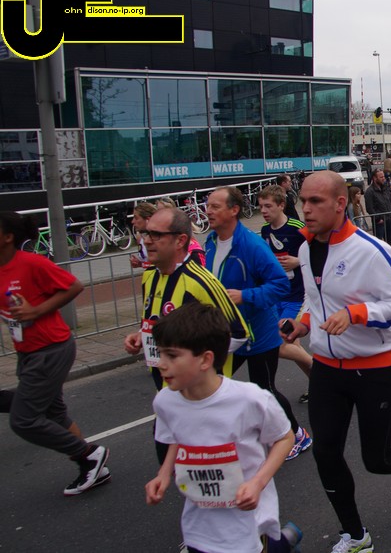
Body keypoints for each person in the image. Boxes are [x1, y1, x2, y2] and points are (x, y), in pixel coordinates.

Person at [283, 171, 391, 553]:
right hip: (326, 368)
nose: (305, 209)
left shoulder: (372, 250)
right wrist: (302, 323)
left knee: (376, 459)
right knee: (325, 453)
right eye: (303, 201)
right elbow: (314, 297)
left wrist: (356, 313)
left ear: (340, 203)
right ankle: (356, 536)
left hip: (373, 368)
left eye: (315, 202)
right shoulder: (306, 249)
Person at [145, 303, 300, 553]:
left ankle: (281, 543)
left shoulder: (250, 399)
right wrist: (163, 474)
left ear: (206, 359)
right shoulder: (165, 401)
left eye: (171, 356)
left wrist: (258, 483)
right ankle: (283, 542)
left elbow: (285, 438)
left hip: (248, 518)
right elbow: (174, 437)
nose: (161, 364)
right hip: (198, 523)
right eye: (160, 354)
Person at [123, 207, 250, 463]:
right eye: (146, 233)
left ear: (180, 240)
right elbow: (157, 320)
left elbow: (239, 333)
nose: (147, 240)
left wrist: (200, 368)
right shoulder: (149, 276)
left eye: (156, 235)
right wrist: (141, 335)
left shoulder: (201, 282)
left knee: (212, 470)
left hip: (201, 399)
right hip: (167, 392)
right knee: (172, 464)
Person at [1, 212, 110, 497]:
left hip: (51, 349)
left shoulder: (31, 263)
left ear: (8, 237)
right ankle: (93, 467)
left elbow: (74, 286)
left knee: (23, 420)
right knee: (54, 414)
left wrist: (35, 311)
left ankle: (90, 454)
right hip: (27, 350)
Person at [204, 187, 308, 461]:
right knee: (213, 383)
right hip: (229, 333)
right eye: (207, 205)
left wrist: (245, 296)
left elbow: (279, 284)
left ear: (233, 210)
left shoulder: (251, 245)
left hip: (259, 335)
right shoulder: (210, 242)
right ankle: (229, 437)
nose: (208, 211)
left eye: (215, 206)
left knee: (265, 388)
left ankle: (297, 434)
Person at [258, 184, 316, 427]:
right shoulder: (264, 231)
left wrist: (298, 261)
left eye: (268, 206)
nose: (264, 211)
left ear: (281, 205)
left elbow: (320, 251)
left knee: (281, 344)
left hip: (298, 297)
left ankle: (323, 378)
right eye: (261, 207)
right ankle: (318, 385)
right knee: (293, 345)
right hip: (278, 297)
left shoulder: (296, 227)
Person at [364, 170, 391, 245]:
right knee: (379, 244)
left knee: (389, 243)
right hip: (379, 222)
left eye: (383, 176)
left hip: (389, 219)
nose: (383, 178)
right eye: (381, 177)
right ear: (375, 178)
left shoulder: (386, 188)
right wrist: (378, 219)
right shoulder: (369, 192)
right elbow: (369, 208)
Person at [129, 201, 157, 269]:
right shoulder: (140, 237)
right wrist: (140, 264)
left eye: (136, 218)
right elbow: (151, 265)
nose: (132, 221)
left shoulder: (160, 238)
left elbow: (161, 265)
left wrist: (142, 264)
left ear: (148, 219)